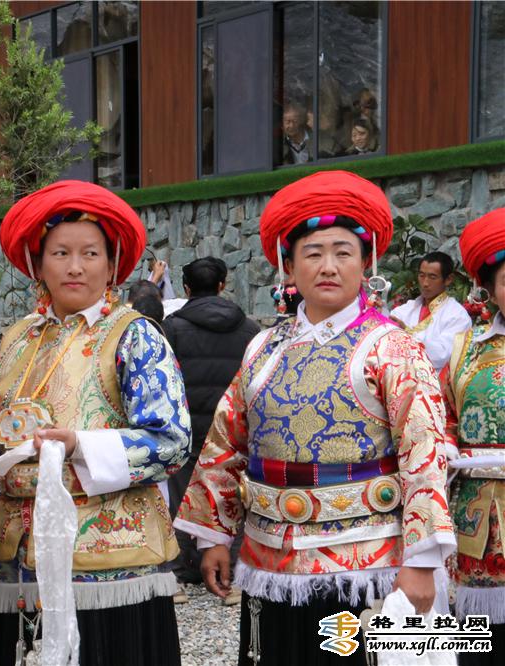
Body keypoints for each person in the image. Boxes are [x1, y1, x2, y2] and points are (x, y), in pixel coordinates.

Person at [175, 171, 455, 665]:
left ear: (366, 263)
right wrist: (214, 535)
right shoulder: (263, 346)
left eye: (343, 252)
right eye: (312, 253)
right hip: (267, 554)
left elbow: (425, 453)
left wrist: (423, 559)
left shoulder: (392, 347)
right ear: (288, 266)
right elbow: (225, 441)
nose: (329, 266)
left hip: (367, 559)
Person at [0, 180, 192, 666]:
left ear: (113, 263)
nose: (75, 267)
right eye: (59, 252)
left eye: (89, 253)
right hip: (21, 551)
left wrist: (79, 444)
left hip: (107, 554)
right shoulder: (18, 339)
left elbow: (172, 441)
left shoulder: (133, 335)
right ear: (38, 263)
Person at [161, 257, 260, 604]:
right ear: (222, 285)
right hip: (230, 425)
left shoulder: (171, 327)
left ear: (186, 289)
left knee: (181, 494)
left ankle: (186, 565)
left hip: (188, 426)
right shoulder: (249, 328)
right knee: (230, 492)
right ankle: (227, 570)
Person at [442, 208, 505, 665]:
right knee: (480, 644)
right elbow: (442, 414)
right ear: (492, 287)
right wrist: (446, 448)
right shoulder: (466, 348)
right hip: (477, 515)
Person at [390, 250, 472, 370]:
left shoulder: (457, 316)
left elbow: (442, 355)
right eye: (421, 275)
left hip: (434, 384)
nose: (425, 283)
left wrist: (407, 334)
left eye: (432, 277)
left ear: (449, 279)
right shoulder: (406, 309)